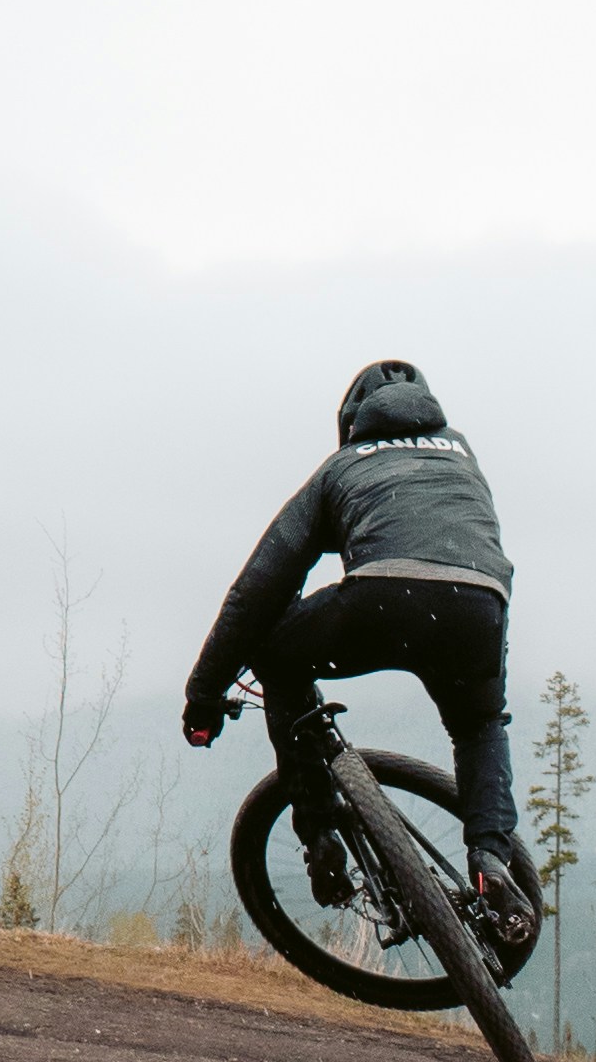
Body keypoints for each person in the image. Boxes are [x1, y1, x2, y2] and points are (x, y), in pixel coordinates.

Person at [182, 360, 534, 952]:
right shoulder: (461, 455)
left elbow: (258, 590)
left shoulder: (343, 466)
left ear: (349, 423)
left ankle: (320, 835)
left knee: (279, 657)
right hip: (480, 601)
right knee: (478, 727)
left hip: (382, 595)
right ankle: (491, 863)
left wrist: (204, 695)